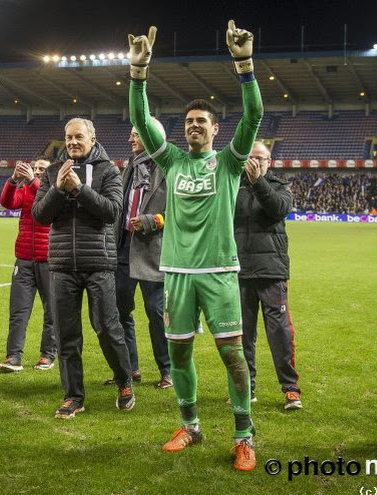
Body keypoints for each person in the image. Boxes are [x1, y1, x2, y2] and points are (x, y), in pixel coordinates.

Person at [128, 22, 263, 471]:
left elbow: (254, 115)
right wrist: (138, 72)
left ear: (214, 129)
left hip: (220, 271)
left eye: (201, 122)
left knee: (233, 355)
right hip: (177, 273)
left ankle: (244, 435)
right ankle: (191, 424)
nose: (193, 127)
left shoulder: (228, 162)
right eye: (188, 122)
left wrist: (244, 66)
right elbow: (138, 119)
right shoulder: (170, 160)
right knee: (180, 352)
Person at [32, 118, 134, 419]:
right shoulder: (53, 172)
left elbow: (112, 212)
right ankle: (73, 396)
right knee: (66, 334)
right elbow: (40, 215)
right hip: (62, 264)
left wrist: (78, 190)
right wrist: (59, 190)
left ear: (92, 138)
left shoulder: (108, 170)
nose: (72, 142)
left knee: (107, 327)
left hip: (99, 264)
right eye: (68, 137)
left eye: (78, 137)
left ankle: (125, 380)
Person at [234, 141, 301, 410]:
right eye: (250, 158)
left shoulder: (279, 186)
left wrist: (257, 181)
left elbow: (276, 209)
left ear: (269, 161)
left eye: (259, 159)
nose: (254, 163)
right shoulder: (233, 187)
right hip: (240, 271)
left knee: (280, 333)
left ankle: (290, 389)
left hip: (272, 271)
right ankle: (247, 388)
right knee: (243, 335)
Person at [110, 123, 172, 389]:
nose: (130, 138)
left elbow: (181, 213)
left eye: (136, 134)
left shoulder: (168, 169)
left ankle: (167, 370)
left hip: (153, 250)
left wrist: (152, 220)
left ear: (151, 136)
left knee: (156, 312)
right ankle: (129, 368)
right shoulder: (130, 167)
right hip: (124, 248)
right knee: (120, 311)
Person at [0, 158, 57, 372]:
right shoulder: (25, 191)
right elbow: (6, 202)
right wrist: (14, 180)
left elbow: (48, 204)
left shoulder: (55, 191)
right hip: (23, 259)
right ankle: (13, 356)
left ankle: (47, 354)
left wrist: (32, 180)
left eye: (42, 169)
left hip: (49, 260)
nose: (38, 172)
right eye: (35, 169)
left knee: (52, 311)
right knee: (18, 311)